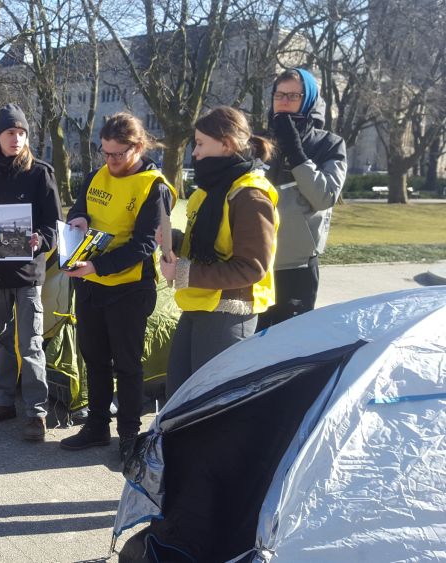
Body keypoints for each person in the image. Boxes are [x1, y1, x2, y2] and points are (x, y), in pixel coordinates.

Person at [58, 113, 176, 462]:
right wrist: (77, 218)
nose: (110, 161)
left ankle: (128, 435)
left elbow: (144, 244)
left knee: (127, 364)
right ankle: (97, 425)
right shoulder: (97, 176)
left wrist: (98, 266)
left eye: (118, 154)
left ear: (137, 147)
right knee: (94, 359)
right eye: (105, 153)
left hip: (129, 289)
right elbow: (79, 209)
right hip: (90, 286)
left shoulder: (154, 187)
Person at [161, 107, 279, 398]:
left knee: (210, 401)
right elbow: (207, 245)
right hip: (198, 304)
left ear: (226, 144)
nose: (195, 152)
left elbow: (252, 267)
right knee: (180, 395)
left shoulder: (250, 195)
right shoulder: (208, 190)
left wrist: (183, 271)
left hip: (228, 313)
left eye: (200, 143)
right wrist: (173, 240)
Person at [0, 103, 62, 442]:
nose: (17, 138)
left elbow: (54, 224)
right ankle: (3, 401)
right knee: (0, 340)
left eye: (22, 132)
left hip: (26, 274)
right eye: (11, 132)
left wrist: (41, 240)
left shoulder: (40, 174)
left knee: (31, 344)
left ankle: (36, 413)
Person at [257, 68, 346, 330]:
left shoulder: (329, 144)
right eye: (279, 95)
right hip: (254, 261)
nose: (284, 101)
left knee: (289, 344)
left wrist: (296, 153)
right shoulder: (258, 142)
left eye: (293, 96)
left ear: (308, 100)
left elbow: (325, 197)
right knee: (248, 345)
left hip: (296, 267)